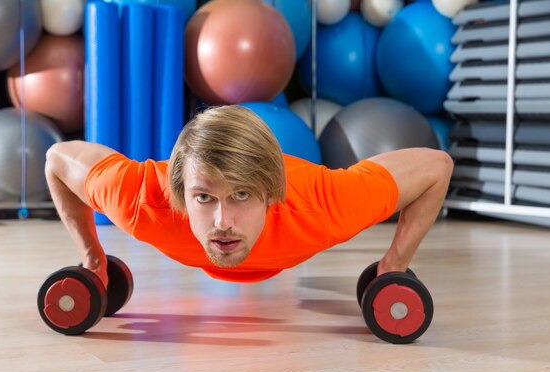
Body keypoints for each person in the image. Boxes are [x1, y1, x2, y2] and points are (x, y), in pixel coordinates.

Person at [45, 105, 453, 288]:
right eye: (204, 198)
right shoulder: (141, 200)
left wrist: (394, 263)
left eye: (241, 195)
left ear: (272, 195)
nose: (222, 221)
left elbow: (436, 166)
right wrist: (92, 256)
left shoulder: (325, 205)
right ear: (179, 193)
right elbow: (56, 159)